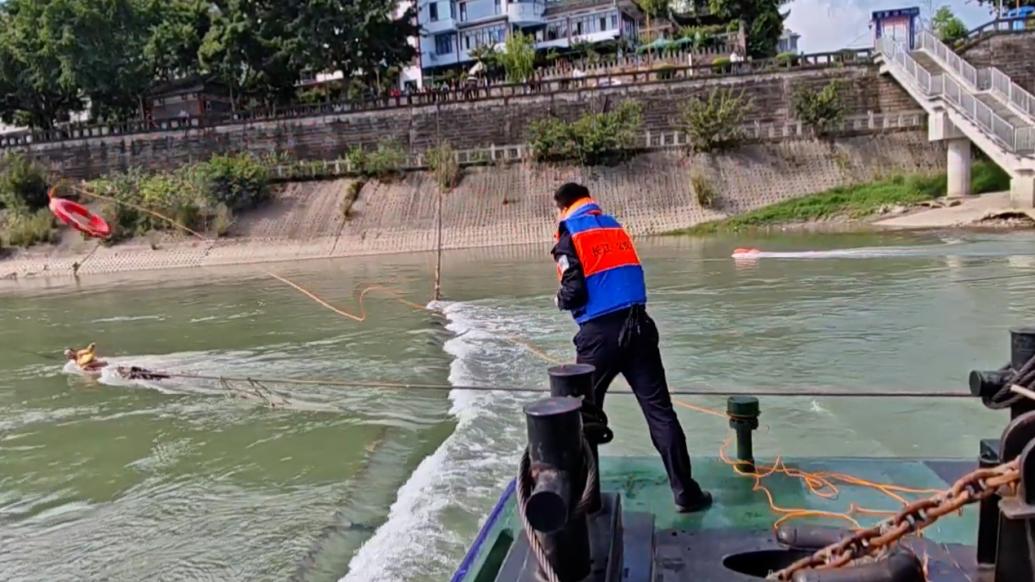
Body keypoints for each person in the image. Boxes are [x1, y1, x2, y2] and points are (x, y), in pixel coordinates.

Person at [550, 182, 712, 513]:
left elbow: (574, 291)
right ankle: (685, 492)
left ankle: (587, 500)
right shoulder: (613, 227)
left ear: (563, 207)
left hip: (598, 336)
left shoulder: (570, 234)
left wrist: (558, 300)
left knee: (582, 418)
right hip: (639, 326)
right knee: (661, 413)